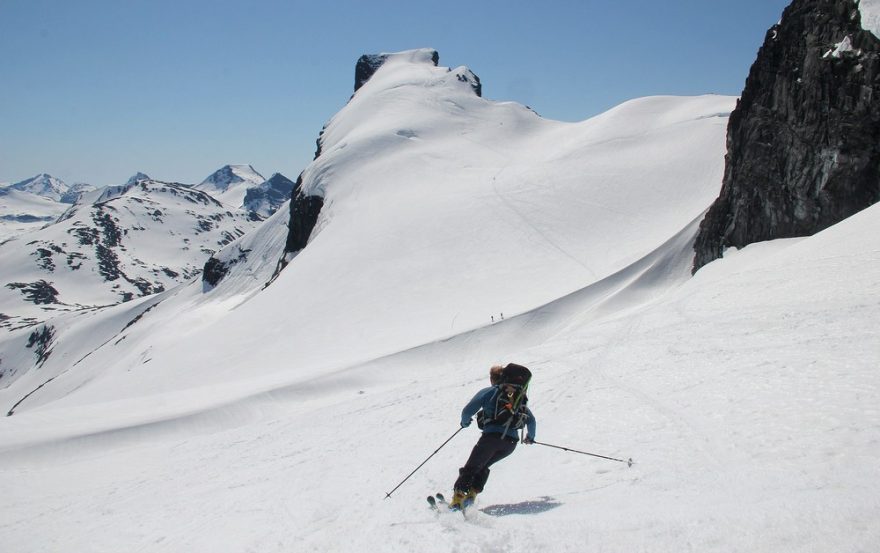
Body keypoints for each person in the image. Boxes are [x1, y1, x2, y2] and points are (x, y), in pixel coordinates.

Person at [449, 364, 536, 509]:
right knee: (483, 465)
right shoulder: (517, 397)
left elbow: (467, 411)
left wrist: (465, 423)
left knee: (471, 467)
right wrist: (530, 437)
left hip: (491, 439)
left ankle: (458, 500)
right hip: (510, 444)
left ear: (493, 379)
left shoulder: (489, 392)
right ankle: (472, 493)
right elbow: (531, 420)